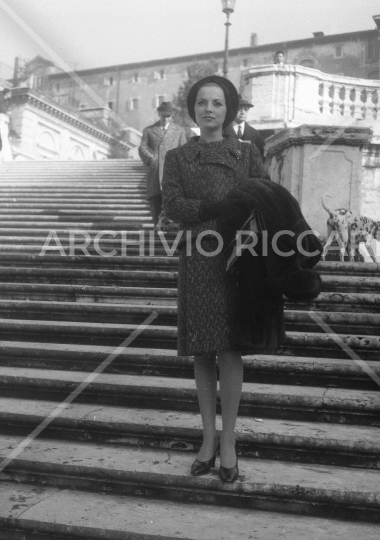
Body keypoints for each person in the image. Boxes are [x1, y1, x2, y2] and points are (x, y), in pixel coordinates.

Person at [162, 75, 267, 483]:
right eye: (202, 102)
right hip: (199, 256)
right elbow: (172, 204)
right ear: (193, 109)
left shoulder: (246, 153)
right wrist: (216, 207)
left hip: (236, 258)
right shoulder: (178, 158)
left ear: (229, 110)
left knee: (230, 349)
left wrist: (240, 224)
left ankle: (229, 442)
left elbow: (265, 196)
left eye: (217, 103)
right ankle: (208, 438)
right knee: (203, 350)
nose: (209, 109)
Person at [139, 101, 186, 227]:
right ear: (159, 114)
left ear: (172, 116)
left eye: (168, 116)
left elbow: (184, 150)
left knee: (172, 199)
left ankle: (170, 229)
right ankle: (156, 227)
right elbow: (142, 147)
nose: (166, 118)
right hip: (155, 171)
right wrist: (151, 159)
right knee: (155, 201)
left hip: (173, 172)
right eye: (164, 115)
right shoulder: (149, 130)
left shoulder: (179, 131)